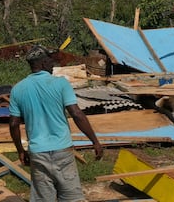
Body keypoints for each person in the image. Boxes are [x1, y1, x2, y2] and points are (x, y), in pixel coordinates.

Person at [9, 44, 103, 202]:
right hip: (62, 151)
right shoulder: (60, 84)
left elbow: (13, 124)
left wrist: (20, 150)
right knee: (72, 198)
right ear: (43, 63)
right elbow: (77, 113)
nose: (53, 64)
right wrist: (95, 141)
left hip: (38, 153)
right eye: (50, 60)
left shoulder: (18, 89)